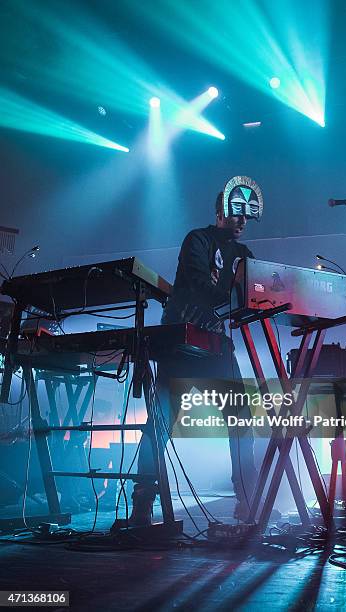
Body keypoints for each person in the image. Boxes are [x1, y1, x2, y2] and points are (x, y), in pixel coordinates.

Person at [130, 176, 264, 525]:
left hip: (217, 344)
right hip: (181, 342)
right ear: (220, 213)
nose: (242, 221)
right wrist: (234, 285)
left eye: (246, 216)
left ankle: (247, 502)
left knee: (241, 420)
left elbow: (255, 291)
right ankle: (142, 503)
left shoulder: (243, 254)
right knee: (160, 423)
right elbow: (200, 287)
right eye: (236, 214)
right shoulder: (197, 240)